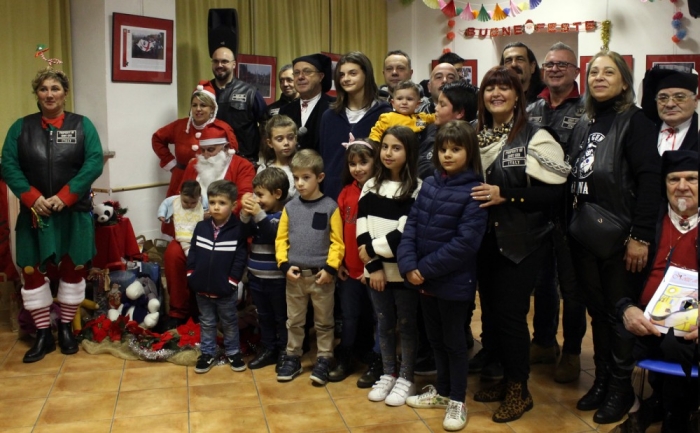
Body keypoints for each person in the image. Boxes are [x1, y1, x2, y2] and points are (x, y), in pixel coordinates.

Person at [471, 66, 570, 423]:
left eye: (504, 88)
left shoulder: (536, 136)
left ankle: (519, 389)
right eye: (490, 88)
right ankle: (501, 379)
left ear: (517, 95)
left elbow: (554, 193)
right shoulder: (474, 135)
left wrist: (506, 196)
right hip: (482, 241)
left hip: (522, 242)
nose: (496, 93)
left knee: (512, 317)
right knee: (492, 316)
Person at [567, 51, 661, 425]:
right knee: (599, 313)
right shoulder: (585, 123)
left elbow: (650, 179)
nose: (599, 78)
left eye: (609, 72)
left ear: (624, 81)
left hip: (622, 237)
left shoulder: (636, 122)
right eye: (594, 72)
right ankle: (603, 379)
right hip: (585, 235)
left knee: (620, 313)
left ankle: (621, 389)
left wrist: (640, 235)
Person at [2, 67, 103, 363]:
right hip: (36, 214)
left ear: (65, 93)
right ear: (36, 94)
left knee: (73, 269)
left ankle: (66, 328)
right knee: (33, 271)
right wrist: (33, 198)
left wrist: (66, 196)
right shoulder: (20, 128)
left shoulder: (83, 126)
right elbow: (8, 165)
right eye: (43, 89)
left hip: (73, 212)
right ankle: (43, 334)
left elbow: (94, 162)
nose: (49, 94)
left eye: (55, 88)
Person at [399, 120, 488, 431]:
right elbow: (411, 227)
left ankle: (457, 400)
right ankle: (443, 391)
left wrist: (424, 268)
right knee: (435, 339)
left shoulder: (475, 191)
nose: (448, 155)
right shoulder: (431, 184)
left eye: (456, 149)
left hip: (452, 283)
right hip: (424, 280)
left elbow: (465, 244)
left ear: (469, 152)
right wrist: (409, 265)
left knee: (454, 342)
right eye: (443, 149)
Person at [613, 150, 698, 433]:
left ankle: (676, 414)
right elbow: (620, 282)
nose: (682, 186)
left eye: (692, 179)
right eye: (674, 179)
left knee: (678, 343)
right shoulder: (647, 224)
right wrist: (628, 308)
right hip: (647, 320)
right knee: (618, 332)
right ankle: (637, 404)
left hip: (691, 326)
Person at [526, 42, 587, 383]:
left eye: (563, 65)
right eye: (549, 64)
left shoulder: (588, 109)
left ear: (576, 71)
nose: (554, 69)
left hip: (572, 209)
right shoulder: (532, 107)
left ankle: (573, 351)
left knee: (572, 284)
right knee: (542, 280)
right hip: (536, 208)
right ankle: (544, 342)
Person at [357, 125, 422, 406]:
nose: (388, 153)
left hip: (403, 272)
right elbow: (362, 228)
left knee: (406, 325)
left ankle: (406, 377)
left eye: (396, 148)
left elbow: (404, 233)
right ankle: (388, 372)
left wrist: (370, 250)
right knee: (383, 324)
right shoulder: (370, 185)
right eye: (385, 147)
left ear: (409, 152)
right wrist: (373, 267)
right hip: (377, 273)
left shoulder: (417, 188)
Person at [166, 125, 254, 325]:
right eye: (202, 150)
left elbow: (244, 198)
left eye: (210, 150)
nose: (204, 155)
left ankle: (216, 311)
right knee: (173, 253)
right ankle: (178, 312)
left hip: (226, 230)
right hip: (193, 230)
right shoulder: (193, 166)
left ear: (225, 148)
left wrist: (217, 213)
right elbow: (181, 196)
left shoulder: (241, 166)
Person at [275, 149, 344, 385]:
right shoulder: (290, 208)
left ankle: (325, 357)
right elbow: (281, 239)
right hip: (295, 277)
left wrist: (331, 268)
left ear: (320, 177)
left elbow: (337, 242)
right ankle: (293, 356)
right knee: (294, 321)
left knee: (324, 322)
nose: (300, 183)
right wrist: (284, 265)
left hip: (321, 277)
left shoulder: (330, 207)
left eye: (306, 177)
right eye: (296, 178)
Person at [329, 136, 378, 384]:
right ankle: (345, 357)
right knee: (349, 316)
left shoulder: (381, 191)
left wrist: (372, 267)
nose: (357, 169)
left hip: (374, 270)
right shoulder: (346, 193)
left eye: (363, 162)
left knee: (374, 317)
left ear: (375, 162)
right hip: (349, 270)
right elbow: (337, 233)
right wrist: (339, 263)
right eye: (352, 164)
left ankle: (374, 358)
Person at [188, 180, 248, 374]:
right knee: (206, 321)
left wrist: (232, 281)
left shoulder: (238, 230)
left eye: (221, 203)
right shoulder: (201, 227)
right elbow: (193, 253)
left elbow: (240, 258)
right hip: (202, 287)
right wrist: (191, 274)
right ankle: (207, 353)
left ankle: (233, 352)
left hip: (225, 289)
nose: (216, 207)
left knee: (229, 321)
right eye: (212, 202)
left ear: (233, 205)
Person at [319, 51, 391, 200]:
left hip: (374, 194)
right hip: (334, 194)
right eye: (342, 75)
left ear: (366, 74)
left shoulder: (384, 114)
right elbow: (324, 158)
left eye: (352, 73)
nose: (346, 79)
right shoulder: (329, 116)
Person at [240, 167, 290, 370]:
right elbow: (243, 234)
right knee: (264, 315)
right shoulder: (257, 216)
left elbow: (273, 236)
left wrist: (259, 214)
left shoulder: (283, 216)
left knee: (282, 317)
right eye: (255, 195)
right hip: (257, 277)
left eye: (261, 195)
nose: (257, 200)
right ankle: (268, 348)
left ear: (277, 194)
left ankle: (286, 352)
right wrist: (244, 215)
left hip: (277, 279)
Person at [210, 46, 266, 163]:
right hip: (212, 160)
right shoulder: (204, 91)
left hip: (244, 160)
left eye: (224, 61)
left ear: (234, 65)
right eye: (216, 61)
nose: (219, 65)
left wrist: (264, 154)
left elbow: (266, 125)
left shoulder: (250, 92)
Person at [417, 80, 479, 180]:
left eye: (442, 104)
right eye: (437, 103)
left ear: (459, 113)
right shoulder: (431, 128)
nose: (436, 108)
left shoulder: (472, 139)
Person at [279, 53, 335, 153]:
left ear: (321, 76)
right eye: (296, 73)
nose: (300, 77)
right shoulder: (285, 110)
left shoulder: (335, 106)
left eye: (307, 72)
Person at [641, 66, 698, 154]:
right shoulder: (643, 133)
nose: (670, 104)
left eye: (679, 97)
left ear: (695, 101)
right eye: (663, 98)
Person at [369, 81, 435, 142]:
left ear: (417, 104)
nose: (404, 102)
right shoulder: (388, 118)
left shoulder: (422, 117)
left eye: (409, 99)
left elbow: (437, 117)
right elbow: (375, 134)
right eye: (399, 99)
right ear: (393, 102)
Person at [156, 180, 203, 257]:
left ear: (199, 197)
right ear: (180, 193)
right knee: (183, 239)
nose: (189, 205)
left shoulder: (202, 201)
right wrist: (162, 214)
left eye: (193, 202)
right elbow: (165, 204)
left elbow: (208, 208)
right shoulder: (174, 200)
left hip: (196, 230)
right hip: (183, 230)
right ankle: (187, 250)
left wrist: (208, 213)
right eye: (185, 202)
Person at [259, 114, 297, 200]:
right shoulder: (264, 169)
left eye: (290, 138)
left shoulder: (302, 168)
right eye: (280, 139)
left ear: (296, 139)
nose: (286, 143)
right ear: (270, 143)